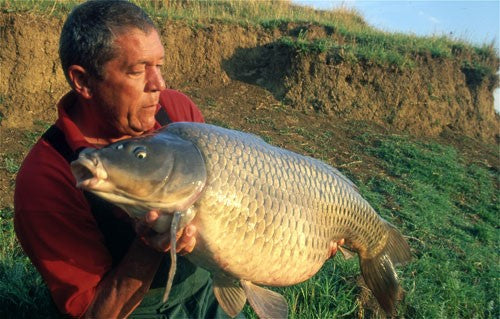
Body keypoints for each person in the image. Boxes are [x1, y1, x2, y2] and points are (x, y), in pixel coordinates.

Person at [14, 1, 343, 318]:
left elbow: (248, 202)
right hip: (134, 308)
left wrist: (312, 230)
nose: (159, 84)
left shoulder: (177, 111)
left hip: (202, 286)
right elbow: (94, 313)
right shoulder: (46, 179)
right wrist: (150, 243)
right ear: (83, 80)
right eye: (138, 70)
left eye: (159, 65)